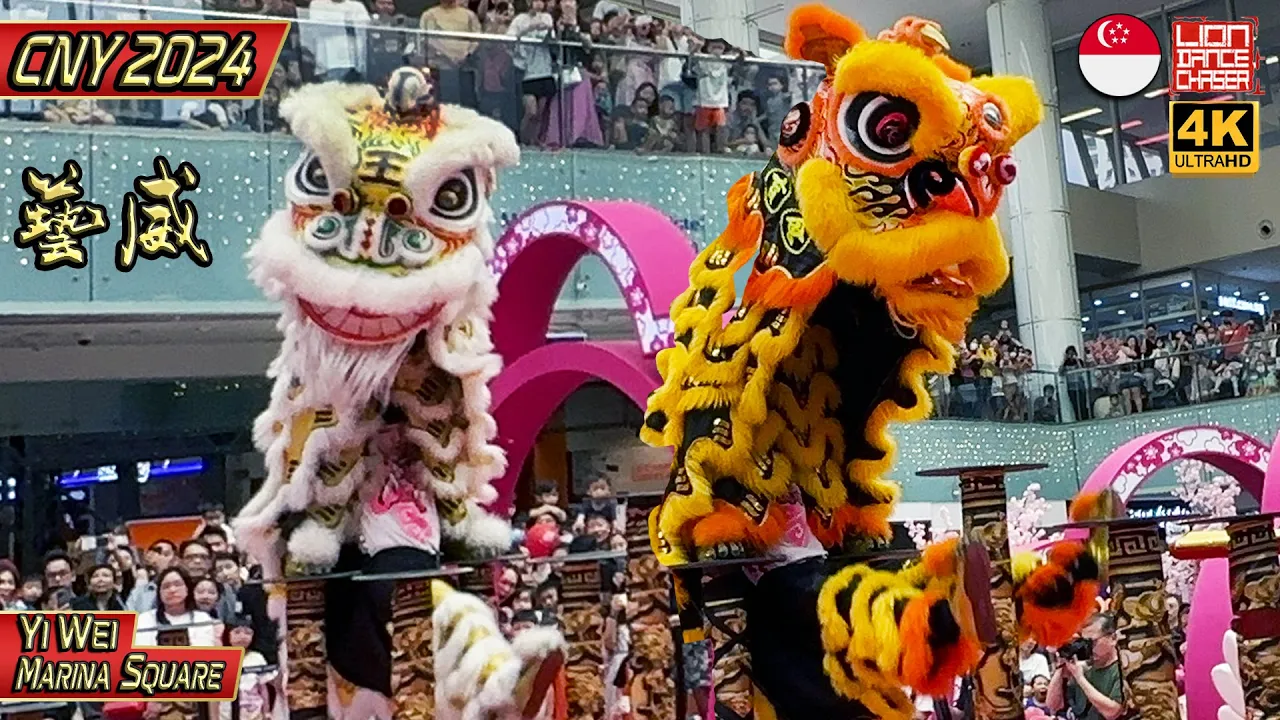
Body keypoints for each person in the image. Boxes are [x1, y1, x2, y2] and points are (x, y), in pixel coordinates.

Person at [1047, 612, 1124, 720]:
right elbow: (1053, 705)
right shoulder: (1083, 668)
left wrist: (1080, 678)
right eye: (1084, 642)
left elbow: (1112, 712)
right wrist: (1061, 668)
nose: (1088, 647)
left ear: (1113, 638)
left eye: (1092, 642)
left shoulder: (1122, 670)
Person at [508, 0, 556, 145]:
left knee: (540, 113)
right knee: (531, 111)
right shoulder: (520, 19)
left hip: (544, 69)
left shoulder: (547, 17)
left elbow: (552, 39)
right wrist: (529, 28)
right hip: (527, 70)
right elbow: (510, 39)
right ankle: (521, 140)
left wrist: (549, 31)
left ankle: (534, 140)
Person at [420, 0, 481, 107]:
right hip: (439, 69)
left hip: (464, 67)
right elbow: (427, 39)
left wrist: (467, 54)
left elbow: (477, 38)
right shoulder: (429, 15)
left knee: (467, 106)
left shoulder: (469, 15)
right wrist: (447, 56)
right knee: (441, 106)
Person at [221, 617, 276, 720]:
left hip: (253, 711)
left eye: (248, 633)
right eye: (237, 632)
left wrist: (267, 711)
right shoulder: (220, 658)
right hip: (228, 711)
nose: (242, 637)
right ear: (228, 635)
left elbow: (263, 688)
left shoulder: (257, 658)